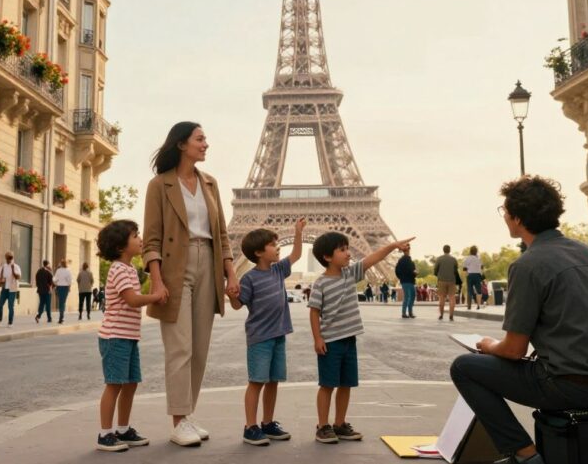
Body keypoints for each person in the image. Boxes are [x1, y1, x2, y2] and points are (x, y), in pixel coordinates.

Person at [451, 176, 588, 464]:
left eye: (506, 211)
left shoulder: (527, 265)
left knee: (464, 367)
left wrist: (487, 345)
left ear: (518, 219)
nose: (506, 217)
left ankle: (525, 455)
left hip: (569, 387)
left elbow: (513, 350)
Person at [142, 122, 239, 447]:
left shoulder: (210, 183)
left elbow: (222, 234)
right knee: (180, 347)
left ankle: (187, 414)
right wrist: (156, 281)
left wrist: (231, 273)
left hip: (208, 263)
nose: (206, 144)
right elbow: (152, 239)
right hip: (174, 268)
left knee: (199, 349)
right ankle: (178, 419)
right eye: (200, 139)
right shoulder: (159, 185)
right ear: (182, 144)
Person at [309, 232, 414, 443]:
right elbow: (314, 311)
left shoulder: (350, 273)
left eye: (348, 248)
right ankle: (322, 425)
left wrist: (392, 245)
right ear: (327, 257)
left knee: (346, 384)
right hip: (330, 341)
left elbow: (373, 257)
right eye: (342, 250)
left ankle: (339, 423)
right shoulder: (320, 283)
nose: (348, 253)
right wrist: (317, 339)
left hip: (349, 339)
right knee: (327, 385)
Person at [227, 218, 306, 446]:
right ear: (259, 252)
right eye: (273, 244)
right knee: (256, 382)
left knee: (273, 382)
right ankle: (250, 427)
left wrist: (298, 233)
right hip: (260, 338)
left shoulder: (279, 270)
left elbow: (297, 254)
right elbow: (238, 305)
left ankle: (267, 423)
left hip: (278, 335)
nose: (278, 247)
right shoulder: (249, 278)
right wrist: (231, 295)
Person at [95, 220, 168, 452]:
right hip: (114, 337)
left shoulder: (129, 269)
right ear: (120, 246)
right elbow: (132, 300)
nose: (140, 238)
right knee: (114, 385)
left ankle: (123, 429)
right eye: (135, 235)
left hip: (126, 337)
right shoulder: (119, 269)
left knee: (130, 384)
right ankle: (105, 433)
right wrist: (156, 296)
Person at [0, 251, 21, 327]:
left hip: (12, 289)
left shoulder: (16, 266)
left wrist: (13, 270)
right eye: (8, 257)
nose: (9, 259)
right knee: (0, 305)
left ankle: (10, 322)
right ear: (6, 258)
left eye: (11, 257)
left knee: (10, 306)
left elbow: (18, 277)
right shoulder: (3, 266)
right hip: (4, 289)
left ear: (13, 258)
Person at [434, 245, 458, 321]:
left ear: (443, 250)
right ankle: (451, 315)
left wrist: (438, 275)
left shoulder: (439, 259)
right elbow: (455, 270)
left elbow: (435, 270)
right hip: (451, 280)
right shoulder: (454, 259)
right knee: (452, 297)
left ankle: (441, 315)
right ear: (449, 250)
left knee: (441, 298)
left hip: (441, 280)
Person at [395, 245, 417, 318]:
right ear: (407, 251)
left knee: (409, 296)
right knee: (409, 296)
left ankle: (407, 312)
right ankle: (406, 313)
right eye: (408, 250)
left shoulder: (401, 261)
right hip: (408, 280)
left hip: (407, 281)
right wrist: (414, 273)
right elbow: (411, 270)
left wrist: (401, 277)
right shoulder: (408, 261)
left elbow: (397, 271)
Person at [463, 245, 484, 310]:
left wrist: (467, 273)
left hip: (470, 275)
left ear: (470, 251)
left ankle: (469, 306)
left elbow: (464, 268)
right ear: (476, 252)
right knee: (479, 291)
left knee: (469, 291)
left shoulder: (467, 258)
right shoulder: (479, 258)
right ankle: (478, 305)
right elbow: (482, 267)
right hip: (478, 275)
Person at [53, 259, 73, 324]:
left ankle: (61, 317)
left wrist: (56, 283)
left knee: (60, 302)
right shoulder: (68, 271)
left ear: (61, 264)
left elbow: (54, 279)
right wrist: (69, 287)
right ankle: (62, 317)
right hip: (65, 288)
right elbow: (70, 281)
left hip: (59, 287)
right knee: (63, 302)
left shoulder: (58, 270)